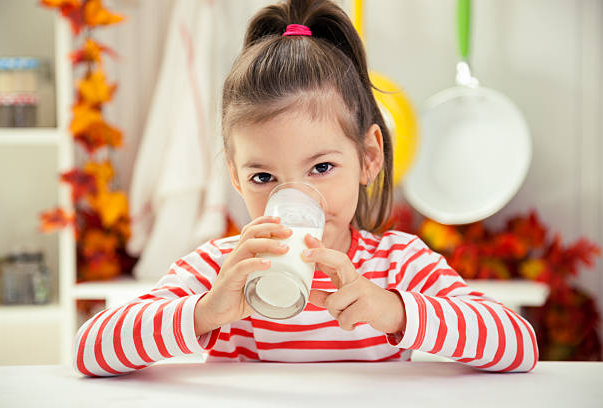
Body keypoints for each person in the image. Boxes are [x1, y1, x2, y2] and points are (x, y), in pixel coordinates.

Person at [74, 0, 538, 377]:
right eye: (263, 177)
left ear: (369, 156)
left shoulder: (398, 265)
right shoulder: (221, 267)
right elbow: (90, 350)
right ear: (235, 175)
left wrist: (395, 311)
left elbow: (518, 345)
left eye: (320, 167)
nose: (294, 197)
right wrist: (204, 312)